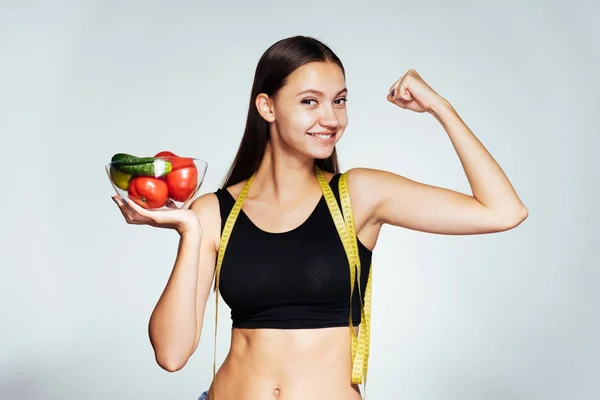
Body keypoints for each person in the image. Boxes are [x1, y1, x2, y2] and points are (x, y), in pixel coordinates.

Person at [111, 35, 528, 400]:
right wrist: (188, 229)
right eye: (310, 101)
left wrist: (440, 106)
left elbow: (504, 211)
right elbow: (171, 354)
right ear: (267, 107)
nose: (331, 118)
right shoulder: (213, 212)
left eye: (339, 101)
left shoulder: (360, 195)